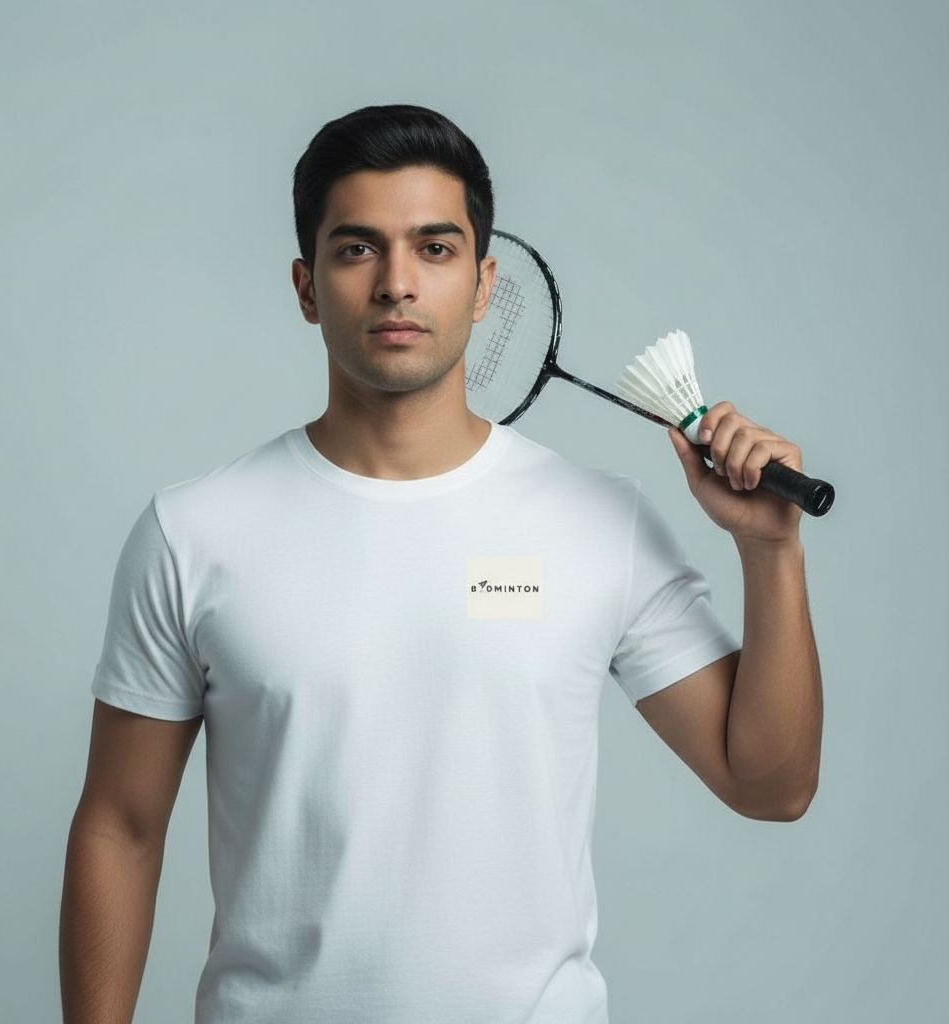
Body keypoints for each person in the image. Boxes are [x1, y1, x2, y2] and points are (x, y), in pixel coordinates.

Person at [59, 104, 823, 1024]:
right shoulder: (193, 532)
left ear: (484, 281)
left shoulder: (598, 523)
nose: (396, 285)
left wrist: (768, 549)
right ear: (305, 287)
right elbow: (121, 827)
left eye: (434, 247)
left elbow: (773, 786)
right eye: (356, 250)